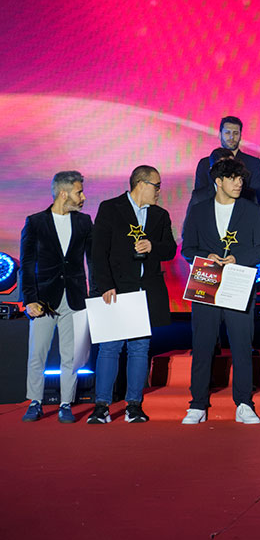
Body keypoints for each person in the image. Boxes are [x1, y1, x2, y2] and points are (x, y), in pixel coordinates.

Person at [180, 157, 260, 424]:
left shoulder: (251, 210)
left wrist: (237, 258)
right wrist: (206, 256)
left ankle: (244, 403)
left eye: (241, 179)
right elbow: (187, 248)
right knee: (203, 344)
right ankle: (197, 404)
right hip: (206, 281)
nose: (239, 183)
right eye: (233, 178)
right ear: (218, 181)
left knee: (242, 346)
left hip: (238, 283)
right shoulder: (199, 210)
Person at [87, 166, 176, 424]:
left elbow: (170, 249)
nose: (159, 191)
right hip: (115, 290)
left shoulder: (160, 215)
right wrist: (105, 285)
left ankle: (134, 405)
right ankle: (102, 405)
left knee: (140, 348)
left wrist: (152, 246)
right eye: (156, 186)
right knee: (110, 348)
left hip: (145, 291)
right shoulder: (110, 208)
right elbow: (98, 252)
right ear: (141, 184)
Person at [19, 171, 91, 423]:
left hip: (75, 297)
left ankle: (65, 404)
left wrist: (94, 294)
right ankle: (35, 402)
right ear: (63, 193)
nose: (83, 197)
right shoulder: (35, 222)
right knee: (37, 353)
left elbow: (92, 260)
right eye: (79, 192)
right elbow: (27, 264)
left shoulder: (84, 222)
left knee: (70, 355)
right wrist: (29, 299)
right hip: (43, 300)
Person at [192, 116, 260, 207]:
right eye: (227, 133)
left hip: (242, 212)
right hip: (209, 211)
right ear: (220, 135)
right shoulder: (205, 163)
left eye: (235, 133)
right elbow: (199, 196)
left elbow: (257, 197)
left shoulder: (254, 163)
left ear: (240, 136)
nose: (231, 137)